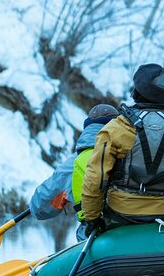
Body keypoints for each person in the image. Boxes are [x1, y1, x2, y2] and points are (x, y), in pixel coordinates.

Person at [81, 64, 164, 236]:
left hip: (122, 214)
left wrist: (92, 218)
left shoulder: (115, 128)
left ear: (137, 91)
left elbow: (95, 180)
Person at [29, 103, 119, 241]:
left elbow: (38, 208)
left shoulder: (73, 165)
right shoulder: (134, 151)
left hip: (93, 235)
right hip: (132, 228)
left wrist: (63, 196)